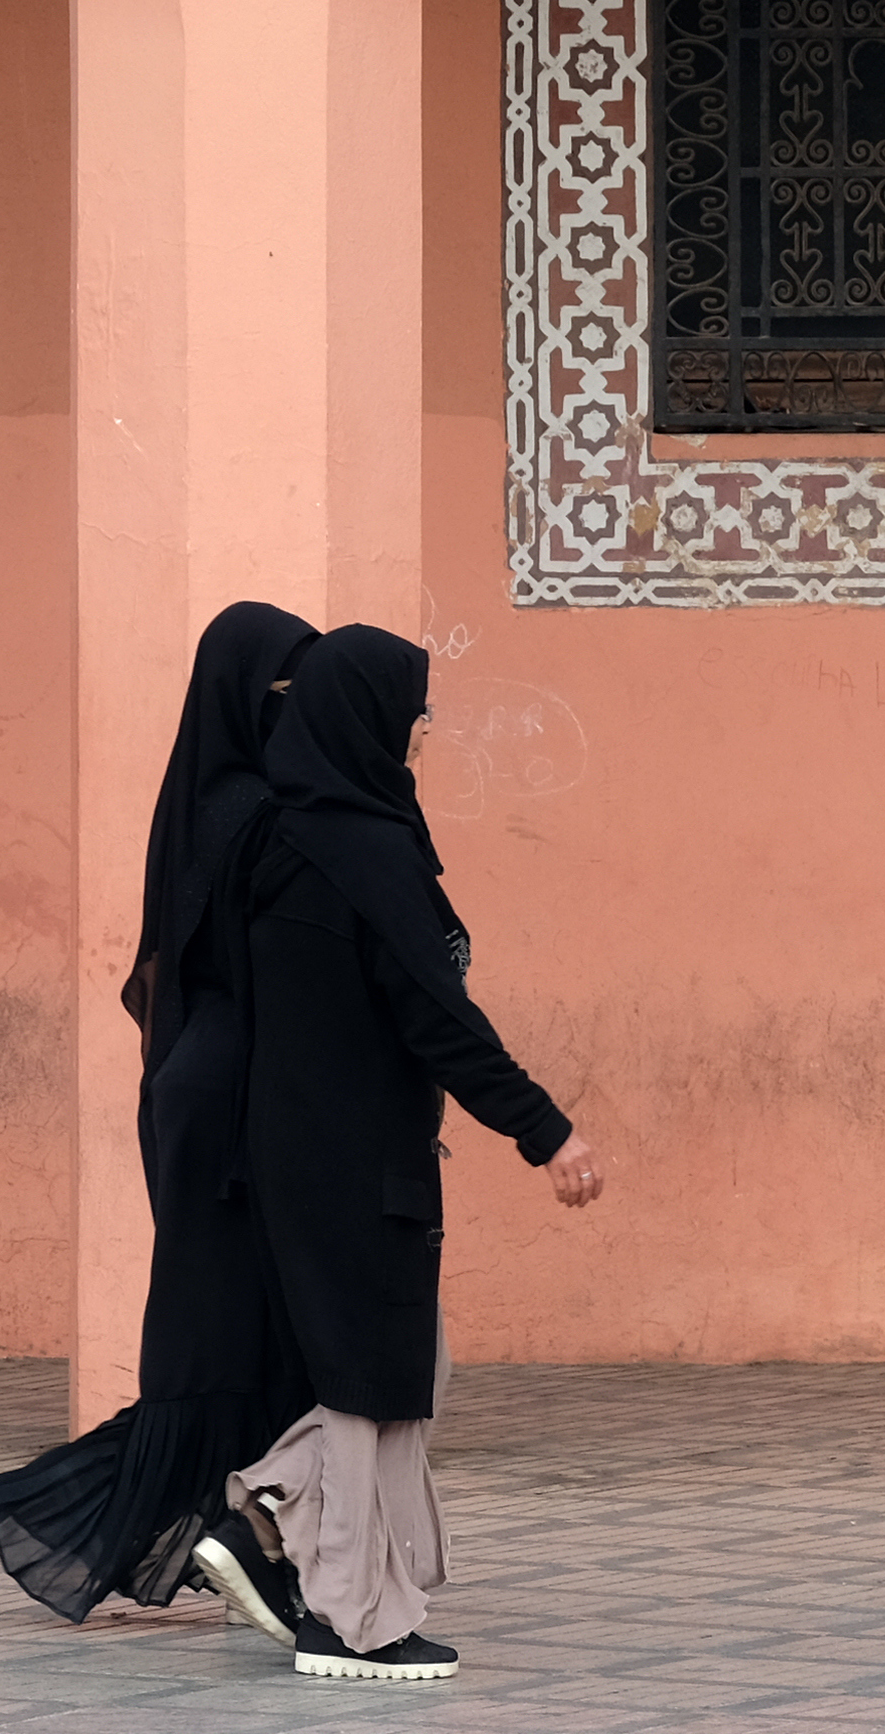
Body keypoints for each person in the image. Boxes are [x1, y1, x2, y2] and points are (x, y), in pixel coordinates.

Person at [220, 621, 600, 1683]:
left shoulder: (289, 837)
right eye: (413, 713)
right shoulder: (361, 852)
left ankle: (280, 1498)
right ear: (369, 721)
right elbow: (435, 1015)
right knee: (367, 1376)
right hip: (353, 1156)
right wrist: (544, 1129)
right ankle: (349, 1618)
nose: (422, 733)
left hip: (307, 1144)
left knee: (391, 1363)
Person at [0, 600, 326, 1626]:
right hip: (228, 1101)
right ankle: (208, 1525)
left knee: (236, 1327)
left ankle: (258, 1537)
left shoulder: (217, 800)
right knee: (234, 1331)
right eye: (287, 695)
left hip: (211, 1088)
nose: (301, 715)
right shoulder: (252, 813)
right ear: (246, 700)